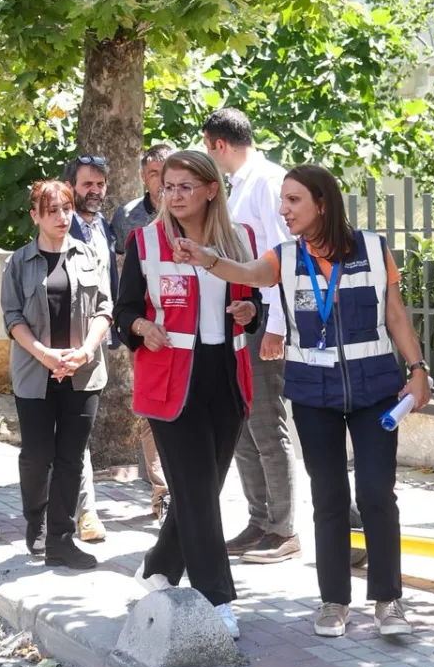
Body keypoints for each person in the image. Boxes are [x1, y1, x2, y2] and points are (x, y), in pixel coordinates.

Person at [172, 163, 432, 640]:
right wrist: (206, 258)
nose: (283, 209)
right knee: (328, 497)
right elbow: (246, 272)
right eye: (283, 200)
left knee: (377, 493)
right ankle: (333, 601)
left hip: (376, 393)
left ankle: (388, 601)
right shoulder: (286, 258)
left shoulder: (374, 250)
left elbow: (395, 316)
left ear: (322, 204)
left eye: (293, 201)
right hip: (314, 396)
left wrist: (418, 371)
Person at [116, 149, 259, 639]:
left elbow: (253, 300)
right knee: (198, 492)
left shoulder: (241, 241)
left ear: (210, 190)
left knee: (202, 491)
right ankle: (215, 598)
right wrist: (139, 325)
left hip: (226, 377)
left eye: (184, 187)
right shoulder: (144, 241)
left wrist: (250, 315)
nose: (173, 195)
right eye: (167, 187)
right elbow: (124, 311)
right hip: (170, 383)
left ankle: (157, 566)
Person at [203, 108, 303, 565]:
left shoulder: (267, 183)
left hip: (265, 317)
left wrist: (277, 327)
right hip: (242, 318)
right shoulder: (240, 185)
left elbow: (287, 258)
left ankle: (283, 527)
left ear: (218, 144)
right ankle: (259, 519)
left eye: (208, 146)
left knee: (266, 422)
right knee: (242, 422)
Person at [2, 180, 112, 569]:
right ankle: (36, 523)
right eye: (52, 211)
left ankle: (61, 540)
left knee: (71, 459)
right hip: (36, 373)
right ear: (35, 215)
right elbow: (12, 317)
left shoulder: (88, 255)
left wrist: (84, 352)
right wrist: (45, 355)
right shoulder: (18, 262)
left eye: (66, 209)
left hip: (83, 374)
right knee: (36, 455)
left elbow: (103, 308)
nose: (62, 217)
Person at [112, 144, 174, 521]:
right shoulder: (127, 217)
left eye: (166, 171)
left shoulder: (194, 212)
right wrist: (130, 324)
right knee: (154, 410)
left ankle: (190, 488)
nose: (160, 180)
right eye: (153, 173)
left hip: (190, 329)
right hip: (145, 328)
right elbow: (123, 275)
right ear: (144, 177)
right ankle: (162, 493)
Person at [63, 154, 114, 544]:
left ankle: (67, 504)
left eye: (100, 184)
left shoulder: (105, 229)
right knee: (73, 430)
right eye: (87, 185)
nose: (94, 191)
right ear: (71, 187)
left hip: (100, 340)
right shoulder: (61, 230)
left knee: (79, 430)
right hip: (68, 344)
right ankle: (85, 511)